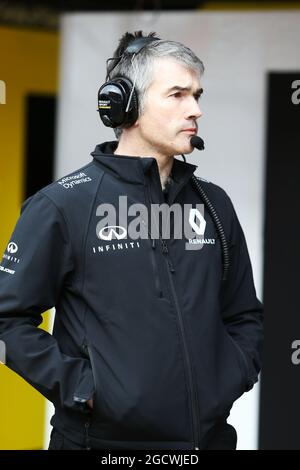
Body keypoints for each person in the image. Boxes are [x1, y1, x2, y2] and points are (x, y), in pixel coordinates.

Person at [0, 31, 263, 451]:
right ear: (127, 106)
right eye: (177, 95)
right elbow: (7, 320)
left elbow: (245, 315)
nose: (195, 109)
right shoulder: (63, 205)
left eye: (196, 94)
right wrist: (86, 390)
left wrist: (231, 376)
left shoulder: (214, 205)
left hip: (209, 443)